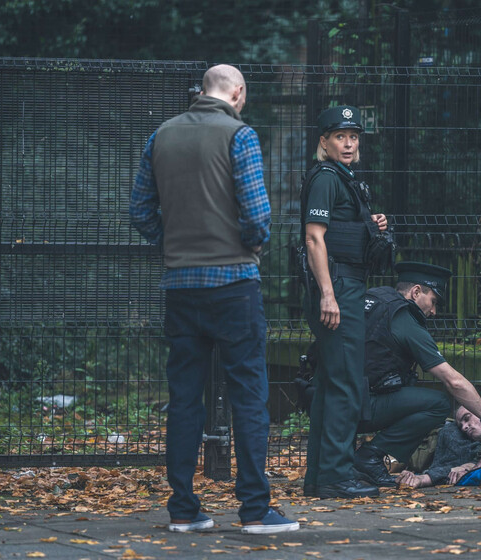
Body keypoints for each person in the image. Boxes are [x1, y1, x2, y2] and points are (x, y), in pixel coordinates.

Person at [130, 64, 298, 534]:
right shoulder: (238, 135)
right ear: (237, 93)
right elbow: (258, 215)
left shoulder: (160, 135)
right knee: (248, 394)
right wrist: (250, 244)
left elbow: (139, 209)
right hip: (233, 285)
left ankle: (183, 508)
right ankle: (254, 510)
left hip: (180, 286)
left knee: (184, 398)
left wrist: (173, 244)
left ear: (202, 91)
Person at [300, 105, 390, 499]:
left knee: (332, 382)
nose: (349, 142)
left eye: (354, 136)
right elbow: (314, 239)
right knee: (346, 385)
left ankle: (320, 477)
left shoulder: (344, 179)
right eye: (340, 136)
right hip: (338, 290)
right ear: (324, 141)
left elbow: (341, 233)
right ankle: (336, 476)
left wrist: (372, 226)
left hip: (346, 286)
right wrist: (328, 295)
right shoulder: (325, 178)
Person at [352, 262, 481, 488]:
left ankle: (375, 462)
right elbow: (453, 381)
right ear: (416, 292)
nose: (433, 312)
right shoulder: (403, 318)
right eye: (433, 302)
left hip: (333, 401)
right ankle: (370, 458)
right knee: (437, 404)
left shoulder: (372, 301)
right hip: (359, 404)